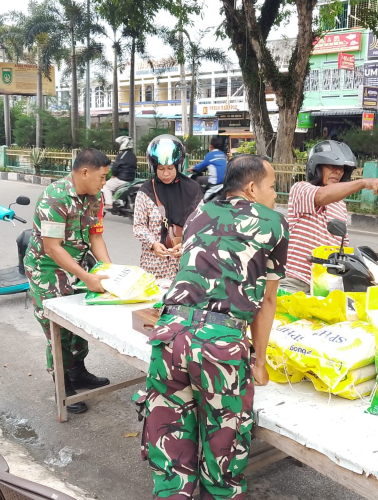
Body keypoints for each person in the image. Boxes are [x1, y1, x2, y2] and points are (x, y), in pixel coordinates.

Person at [140, 154, 288, 500]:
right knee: (222, 453)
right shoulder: (273, 223)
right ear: (252, 188)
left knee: (170, 450)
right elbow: (267, 301)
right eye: (271, 187)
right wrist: (260, 363)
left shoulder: (199, 214)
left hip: (170, 335)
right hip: (219, 347)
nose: (275, 195)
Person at [24, 148, 113, 415]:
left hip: (76, 267)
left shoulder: (95, 197)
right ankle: (62, 385)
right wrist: (87, 277)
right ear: (84, 172)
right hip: (48, 270)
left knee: (78, 324)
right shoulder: (55, 197)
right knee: (58, 329)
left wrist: (109, 271)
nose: (105, 182)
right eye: (103, 176)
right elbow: (52, 247)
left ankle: (78, 372)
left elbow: (96, 236)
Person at [281, 140, 378, 294]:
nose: (338, 171)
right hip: (297, 282)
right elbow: (321, 196)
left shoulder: (339, 205)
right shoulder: (301, 189)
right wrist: (363, 183)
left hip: (326, 285)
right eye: (332, 166)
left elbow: (341, 245)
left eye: (342, 168)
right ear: (316, 167)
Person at [133, 135, 203, 281]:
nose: (165, 173)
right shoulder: (146, 192)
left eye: (170, 168)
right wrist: (153, 244)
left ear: (178, 166)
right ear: (154, 168)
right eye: (161, 168)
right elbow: (139, 225)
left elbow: (201, 225)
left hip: (185, 265)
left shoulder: (193, 190)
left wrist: (185, 244)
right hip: (154, 266)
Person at [102, 136, 137, 209]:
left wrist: (113, 174)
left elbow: (115, 167)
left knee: (106, 186)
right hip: (131, 179)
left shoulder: (122, 155)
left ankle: (109, 204)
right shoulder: (133, 156)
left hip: (122, 179)